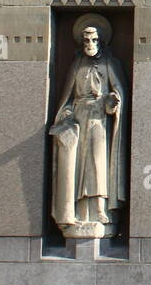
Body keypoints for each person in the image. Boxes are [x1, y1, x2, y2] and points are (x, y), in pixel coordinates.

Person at [49, 22, 128, 235]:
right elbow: (66, 99)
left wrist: (112, 102)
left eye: (93, 40)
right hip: (79, 119)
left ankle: (100, 208)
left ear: (101, 42)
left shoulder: (110, 64)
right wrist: (65, 115)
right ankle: (79, 210)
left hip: (100, 120)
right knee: (78, 165)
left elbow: (118, 93)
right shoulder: (76, 66)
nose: (90, 44)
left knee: (97, 162)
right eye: (86, 40)